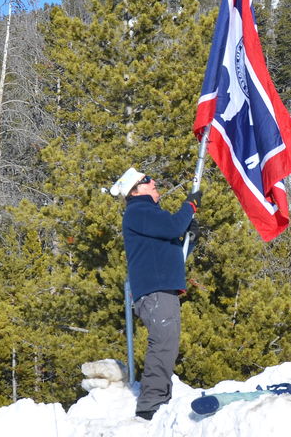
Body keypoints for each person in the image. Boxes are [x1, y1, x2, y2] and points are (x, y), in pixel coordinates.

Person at [110, 167, 202, 421]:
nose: (154, 182)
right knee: (163, 344)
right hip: (156, 290)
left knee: (167, 344)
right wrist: (189, 207)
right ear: (135, 190)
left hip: (161, 288)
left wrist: (190, 239)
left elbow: (171, 251)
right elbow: (173, 227)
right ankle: (151, 404)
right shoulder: (139, 211)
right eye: (147, 180)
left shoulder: (148, 214)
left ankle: (161, 398)